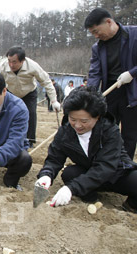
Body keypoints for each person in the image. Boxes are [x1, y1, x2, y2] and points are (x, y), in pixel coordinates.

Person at [36, 87, 137, 213]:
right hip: (88, 173)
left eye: (84, 121)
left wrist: (71, 188)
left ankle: (131, 205)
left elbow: (105, 167)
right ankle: (92, 198)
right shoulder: (65, 131)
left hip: (116, 174)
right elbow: (55, 158)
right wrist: (46, 174)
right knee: (69, 174)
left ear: (98, 117)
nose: (78, 125)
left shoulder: (110, 131)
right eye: (73, 119)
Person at [85, 8, 137, 160]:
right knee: (105, 130)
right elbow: (95, 73)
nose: (95, 36)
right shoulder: (98, 47)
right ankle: (105, 164)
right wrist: (92, 95)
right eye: (92, 33)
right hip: (110, 92)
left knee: (130, 133)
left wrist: (132, 73)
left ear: (108, 22)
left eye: (96, 31)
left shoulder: (134, 35)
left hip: (132, 92)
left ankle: (125, 166)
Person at [0, 46, 60, 147]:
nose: (11, 65)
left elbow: (46, 82)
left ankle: (30, 140)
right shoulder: (2, 66)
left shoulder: (33, 66)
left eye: (14, 62)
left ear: (22, 60)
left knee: (30, 114)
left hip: (29, 93)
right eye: (9, 61)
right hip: (11, 93)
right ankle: (7, 138)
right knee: (7, 114)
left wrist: (54, 101)